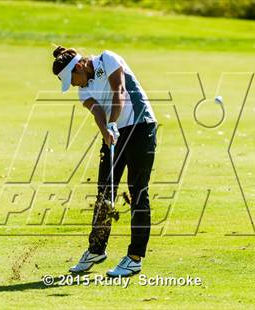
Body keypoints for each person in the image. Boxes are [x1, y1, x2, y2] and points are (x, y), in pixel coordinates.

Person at [52, 45, 157, 277]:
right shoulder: (82, 91)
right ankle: (96, 249)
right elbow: (98, 111)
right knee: (104, 193)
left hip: (140, 127)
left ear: (79, 66)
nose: (75, 85)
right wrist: (106, 130)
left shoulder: (107, 59)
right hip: (115, 132)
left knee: (138, 191)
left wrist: (113, 122)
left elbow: (118, 90)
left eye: (73, 79)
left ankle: (134, 257)